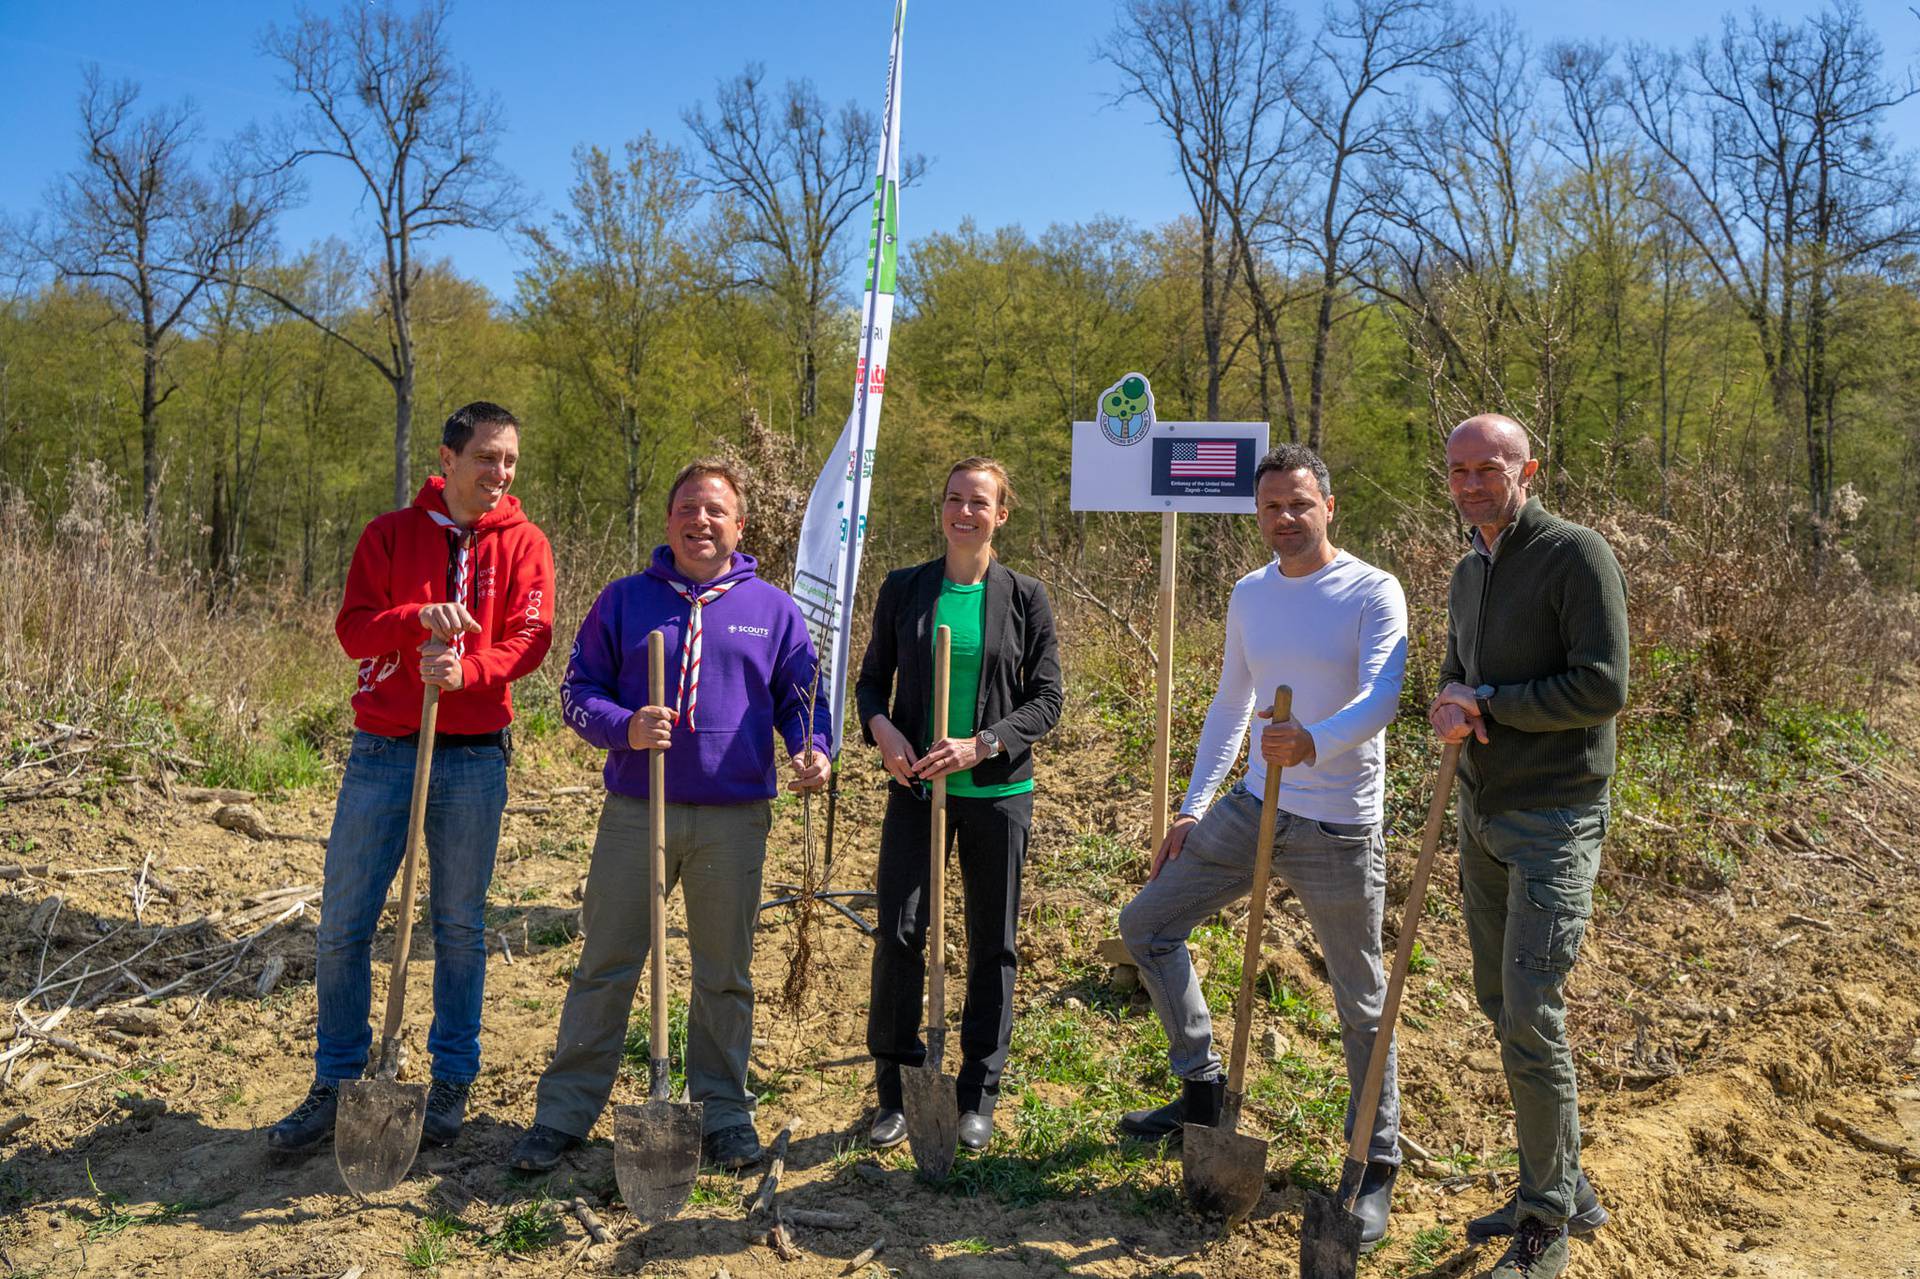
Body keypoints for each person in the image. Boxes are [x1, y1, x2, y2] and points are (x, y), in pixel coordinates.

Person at [1116, 443, 1408, 1246]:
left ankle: (1371, 1160)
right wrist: (1192, 804)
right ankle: (1202, 1091)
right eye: (1272, 505)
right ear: (1259, 513)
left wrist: (1312, 742)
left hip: (1337, 821)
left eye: (1300, 503)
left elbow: (1384, 693)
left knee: (1360, 1000)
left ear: (1329, 505)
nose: (1286, 518)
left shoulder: (1372, 590)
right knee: (1145, 924)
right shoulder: (1250, 593)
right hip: (1252, 807)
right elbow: (1229, 704)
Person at [508, 459, 832, 1174]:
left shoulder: (773, 610)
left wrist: (814, 749)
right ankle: (563, 1114)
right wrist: (624, 726)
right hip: (636, 811)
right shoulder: (626, 601)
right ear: (668, 521)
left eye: (716, 510)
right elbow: (575, 692)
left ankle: (723, 1114)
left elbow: (803, 701)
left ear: (739, 525)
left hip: (734, 816)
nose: (701, 521)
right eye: (687, 507)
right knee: (606, 962)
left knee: (725, 972)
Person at [268, 401, 555, 1154]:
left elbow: (531, 638)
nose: (499, 473)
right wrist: (416, 619)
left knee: (460, 925)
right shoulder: (389, 535)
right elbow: (353, 629)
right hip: (383, 751)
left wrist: (468, 669)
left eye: (510, 461)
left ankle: (451, 1075)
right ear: (449, 459)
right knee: (344, 924)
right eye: (487, 457)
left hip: (474, 755)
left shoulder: (525, 544)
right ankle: (336, 1078)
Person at [1428, 414, 1627, 1279]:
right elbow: (1453, 667)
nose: (1472, 483)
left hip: (1554, 816)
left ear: (1528, 469)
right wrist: (1446, 700)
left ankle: (1547, 1221)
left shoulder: (1576, 555)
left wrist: (1493, 702)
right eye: (1459, 470)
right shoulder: (1469, 569)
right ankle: (1563, 1182)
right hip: (1482, 813)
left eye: (1489, 468)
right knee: (1499, 1004)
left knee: (1532, 1013)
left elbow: (1603, 683)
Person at [857, 457, 1063, 1152]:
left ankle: (977, 1092)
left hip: (998, 794)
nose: (964, 512)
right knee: (901, 932)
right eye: (953, 499)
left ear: (1001, 514)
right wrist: (882, 730)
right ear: (941, 508)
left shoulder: (1024, 595)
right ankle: (895, 1088)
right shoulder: (904, 589)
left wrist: (982, 744)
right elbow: (869, 687)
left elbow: (1046, 700)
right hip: (917, 789)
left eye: (980, 502)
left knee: (991, 943)